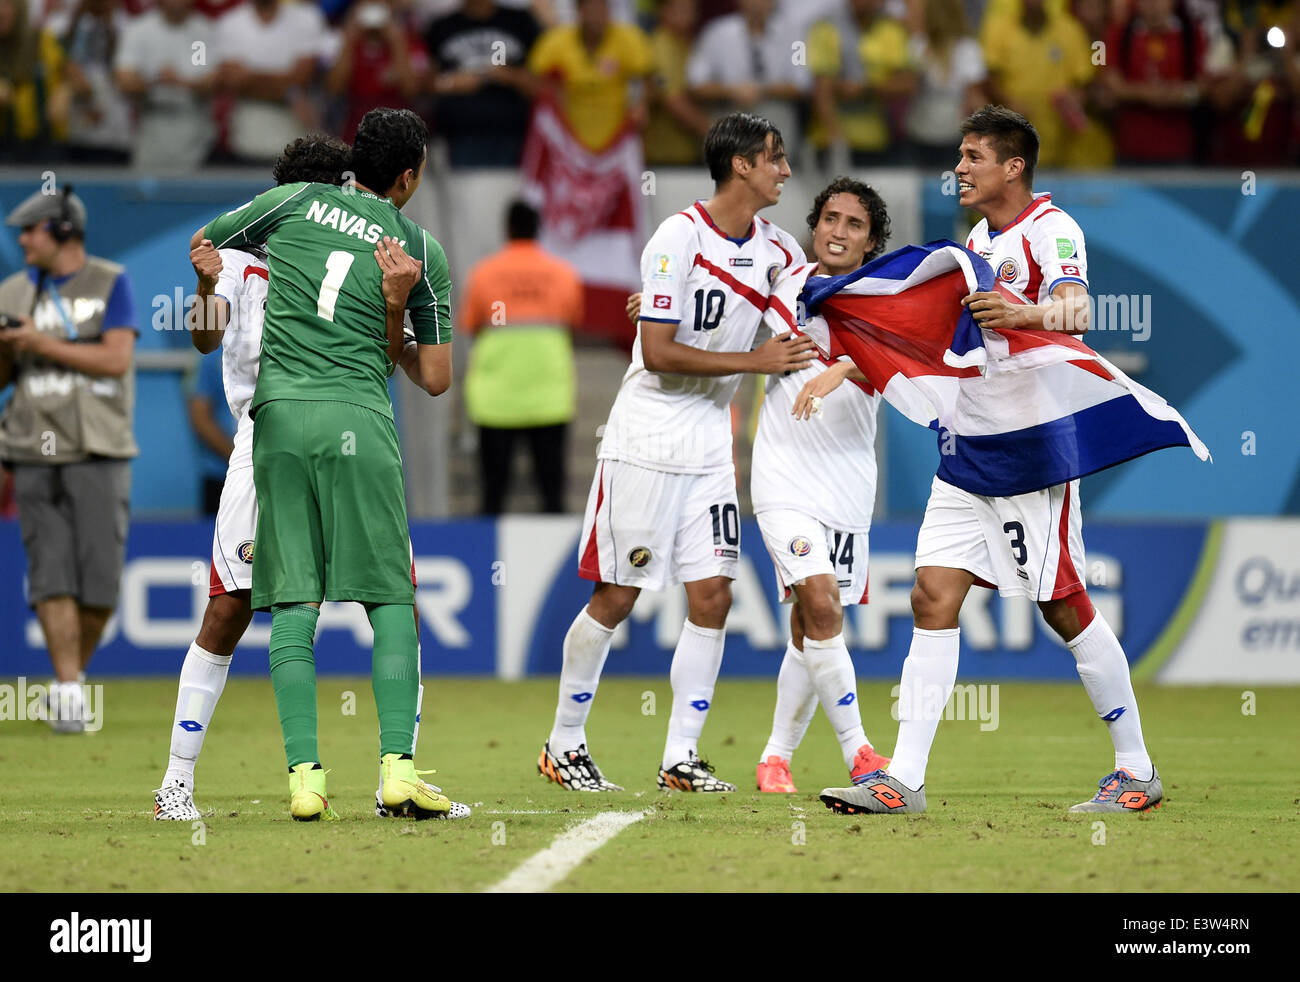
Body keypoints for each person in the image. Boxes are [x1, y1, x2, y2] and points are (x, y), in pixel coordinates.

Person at [820, 106, 1163, 816]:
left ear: (1013, 166)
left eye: (974, 156)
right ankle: (902, 779)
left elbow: (1078, 311)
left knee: (1061, 605)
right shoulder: (978, 238)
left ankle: (1136, 769)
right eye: (960, 155)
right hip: (971, 447)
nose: (961, 168)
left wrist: (1025, 314)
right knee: (930, 596)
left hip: (1033, 451)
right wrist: (859, 360)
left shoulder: (1052, 229)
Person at [155, 133, 467, 821]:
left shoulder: (324, 235)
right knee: (243, 607)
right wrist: (207, 283)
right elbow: (204, 337)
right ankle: (178, 780)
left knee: (293, 603)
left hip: (290, 426)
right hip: (268, 433)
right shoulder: (247, 257)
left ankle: (339, 779)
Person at [536, 112, 814, 793]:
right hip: (648, 434)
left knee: (714, 594)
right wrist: (753, 359)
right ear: (741, 165)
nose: (783, 170)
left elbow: (807, 310)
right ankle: (563, 743)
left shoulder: (778, 250)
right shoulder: (677, 236)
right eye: (774, 158)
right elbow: (658, 355)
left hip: (711, 442)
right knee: (620, 590)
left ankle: (679, 758)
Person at [750, 177, 892, 793]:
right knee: (822, 600)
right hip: (782, 477)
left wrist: (840, 368)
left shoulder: (886, 299)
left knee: (813, 623)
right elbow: (720, 293)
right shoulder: (785, 280)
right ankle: (860, 753)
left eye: (853, 224)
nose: (838, 230)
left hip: (848, 483)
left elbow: (914, 359)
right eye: (830, 218)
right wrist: (656, 296)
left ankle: (775, 757)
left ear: (871, 241)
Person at [0, 185, 137, 733]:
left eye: (31, 230)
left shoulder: (110, 282)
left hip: (101, 446)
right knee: (49, 571)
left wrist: (38, 343)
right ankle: (70, 690)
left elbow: (115, 359)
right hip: (32, 446)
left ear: (62, 230)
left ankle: (70, 677)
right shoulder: (11, 292)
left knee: (101, 582)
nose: (22, 240)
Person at [459, 200, 582, 515]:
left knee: (492, 494)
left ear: (508, 229)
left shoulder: (484, 273)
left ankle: (486, 561)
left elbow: (469, 324)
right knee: (552, 494)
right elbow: (574, 320)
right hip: (549, 397)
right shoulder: (563, 274)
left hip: (496, 401)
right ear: (538, 229)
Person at [424, 0, 540, 167]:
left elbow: (542, 84)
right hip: (460, 135)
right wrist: (450, 83)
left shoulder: (520, 21)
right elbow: (420, 86)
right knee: (466, 192)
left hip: (515, 134)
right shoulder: (441, 26)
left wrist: (512, 76)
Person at [527, 0, 652, 152]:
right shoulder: (556, 41)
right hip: (568, 134)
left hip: (617, 134)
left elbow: (651, 77)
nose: (597, 16)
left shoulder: (628, 38)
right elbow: (534, 79)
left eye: (602, 8)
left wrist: (641, 104)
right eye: (591, 9)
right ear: (578, 10)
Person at [112, 0, 217, 171]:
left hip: (195, 130)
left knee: (194, 194)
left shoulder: (204, 30)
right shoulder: (139, 29)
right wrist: (156, 81)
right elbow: (124, 82)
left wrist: (179, 81)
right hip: (152, 127)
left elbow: (213, 83)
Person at [187, 348, 236, 515]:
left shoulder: (282, 349)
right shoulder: (213, 353)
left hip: (274, 474)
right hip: (221, 476)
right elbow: (200, 416)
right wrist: (239, 458)